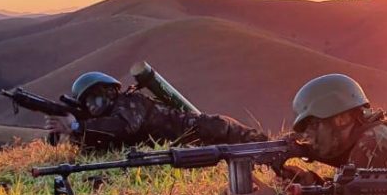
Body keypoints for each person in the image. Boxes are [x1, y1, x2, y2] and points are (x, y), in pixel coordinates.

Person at [229, 73, 387, 195]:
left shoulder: (373, 144)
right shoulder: (360, 132)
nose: (306, 137)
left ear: (342, 119)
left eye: (313, 125)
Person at [47, 71, 266, 151]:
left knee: (256, 143)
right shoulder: (104, 119)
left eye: (95, 97)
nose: (93, 106)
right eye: (87, 102)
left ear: (110, 92)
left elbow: (124, 127)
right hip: (183, 146)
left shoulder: (130, 102)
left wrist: (77, 125)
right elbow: (97, 145)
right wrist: (72, 130)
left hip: (202, 129)